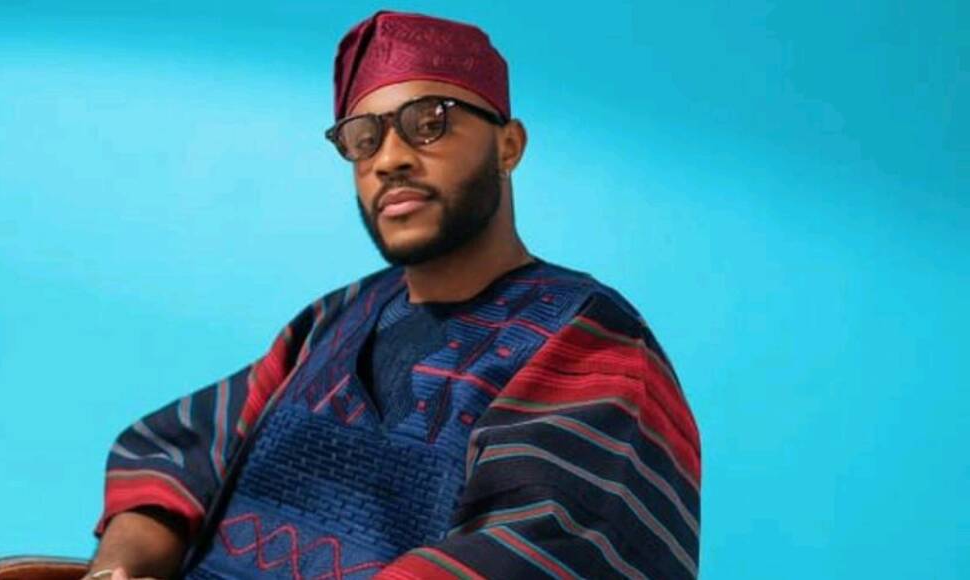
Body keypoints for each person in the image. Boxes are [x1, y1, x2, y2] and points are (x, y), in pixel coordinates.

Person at [87, 10, 701, 580]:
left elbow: (549, 547)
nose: (390, 160)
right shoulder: (335, 319)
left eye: (429, 123)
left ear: (508, 145)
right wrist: (115, 571)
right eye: (363, 138)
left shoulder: (589, 339)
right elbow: (177, 455)